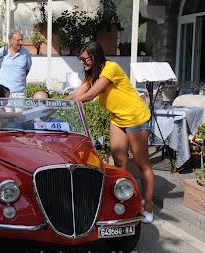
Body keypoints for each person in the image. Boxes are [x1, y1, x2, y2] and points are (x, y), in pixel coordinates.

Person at [66, 41, 154, 223]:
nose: (82, 63)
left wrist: (71, 103)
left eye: (85, 59)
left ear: (95, 56)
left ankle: (148, 207)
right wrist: (56, 104)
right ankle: (123, 201)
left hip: (135, 117)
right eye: (80, 59)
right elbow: (77, 94)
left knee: (141, 163)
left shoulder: (110, 68)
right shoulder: (92, 74)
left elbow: (89, 96)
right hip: (118, 118)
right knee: (119, 160)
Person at [0, 30, 32, 99]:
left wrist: (18, 78)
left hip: (20, 93)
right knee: (5, 110)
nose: (21, 43)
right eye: (18, 40)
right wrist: (2, 80)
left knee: (20, 110)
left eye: (21, 40)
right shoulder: (2, 52)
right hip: (4, 93)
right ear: (11, 41)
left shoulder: (26, 53)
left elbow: (27, 69)